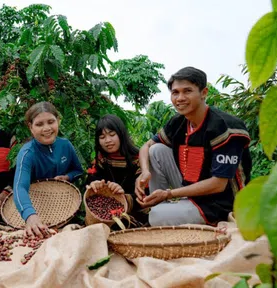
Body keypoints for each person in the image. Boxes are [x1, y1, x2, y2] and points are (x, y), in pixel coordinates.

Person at [135, 67, 252, 226]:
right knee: (156, 150)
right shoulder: (178, 122)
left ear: (204, 93)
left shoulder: (224, 128)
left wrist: (169, 194)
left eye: (187, 91)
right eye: (175, 92)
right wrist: (145, 172)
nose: (180, 98)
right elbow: (146, 146)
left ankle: (165, 212)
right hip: (190, 189)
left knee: (156, 216)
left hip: (222, 202)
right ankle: (160, 205)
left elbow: (218, 184)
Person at [13, 101, 84, 237]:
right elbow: (19, 187)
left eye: (51, 122)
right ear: (30, 127)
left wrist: (68, 177)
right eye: (39, 124)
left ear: (58, 121)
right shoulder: (27, 153)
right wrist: (30, 215)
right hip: (37, 206)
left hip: (63, 205)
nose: (46, 128)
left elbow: (78, 171)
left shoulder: (66, 145)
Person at [86, 114, 148, 227]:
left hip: (133, 214)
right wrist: (94, 185)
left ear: (121, 134)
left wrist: (123, 196)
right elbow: (90, 183)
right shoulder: (101, 160)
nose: (108, 140)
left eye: (112, 135)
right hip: (105, 215)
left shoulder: (138, 160)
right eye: (102, 137)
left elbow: (145, 196)